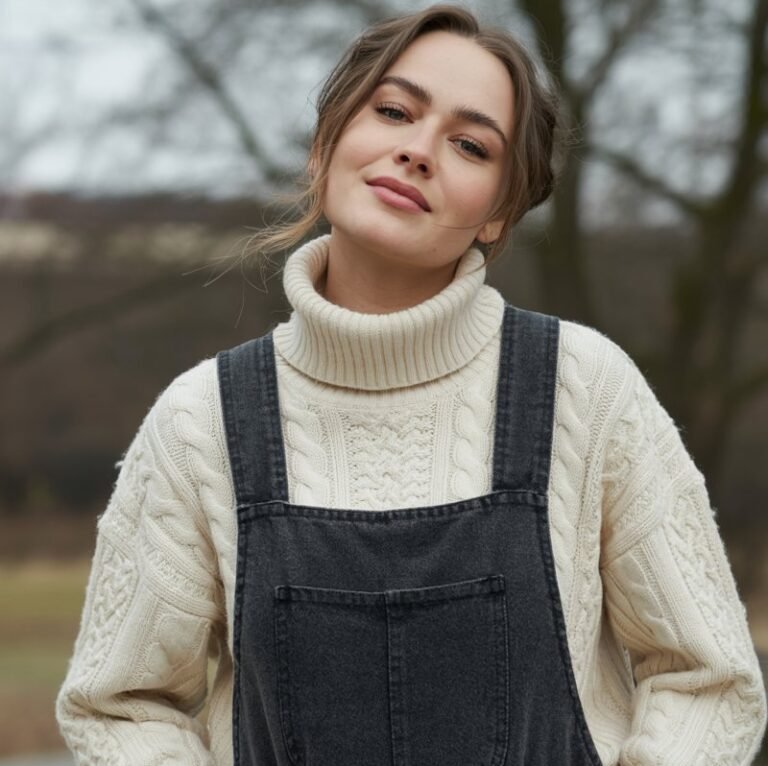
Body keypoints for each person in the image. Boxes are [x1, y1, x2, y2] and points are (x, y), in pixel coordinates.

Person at [56, 5, 766, 765]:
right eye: (394, 111)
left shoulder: (584, 391)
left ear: (498, 212)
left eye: (469, 144)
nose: (418, 151)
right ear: (323, 146)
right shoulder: (201, 423)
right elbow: (119, 705)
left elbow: (709, 678)